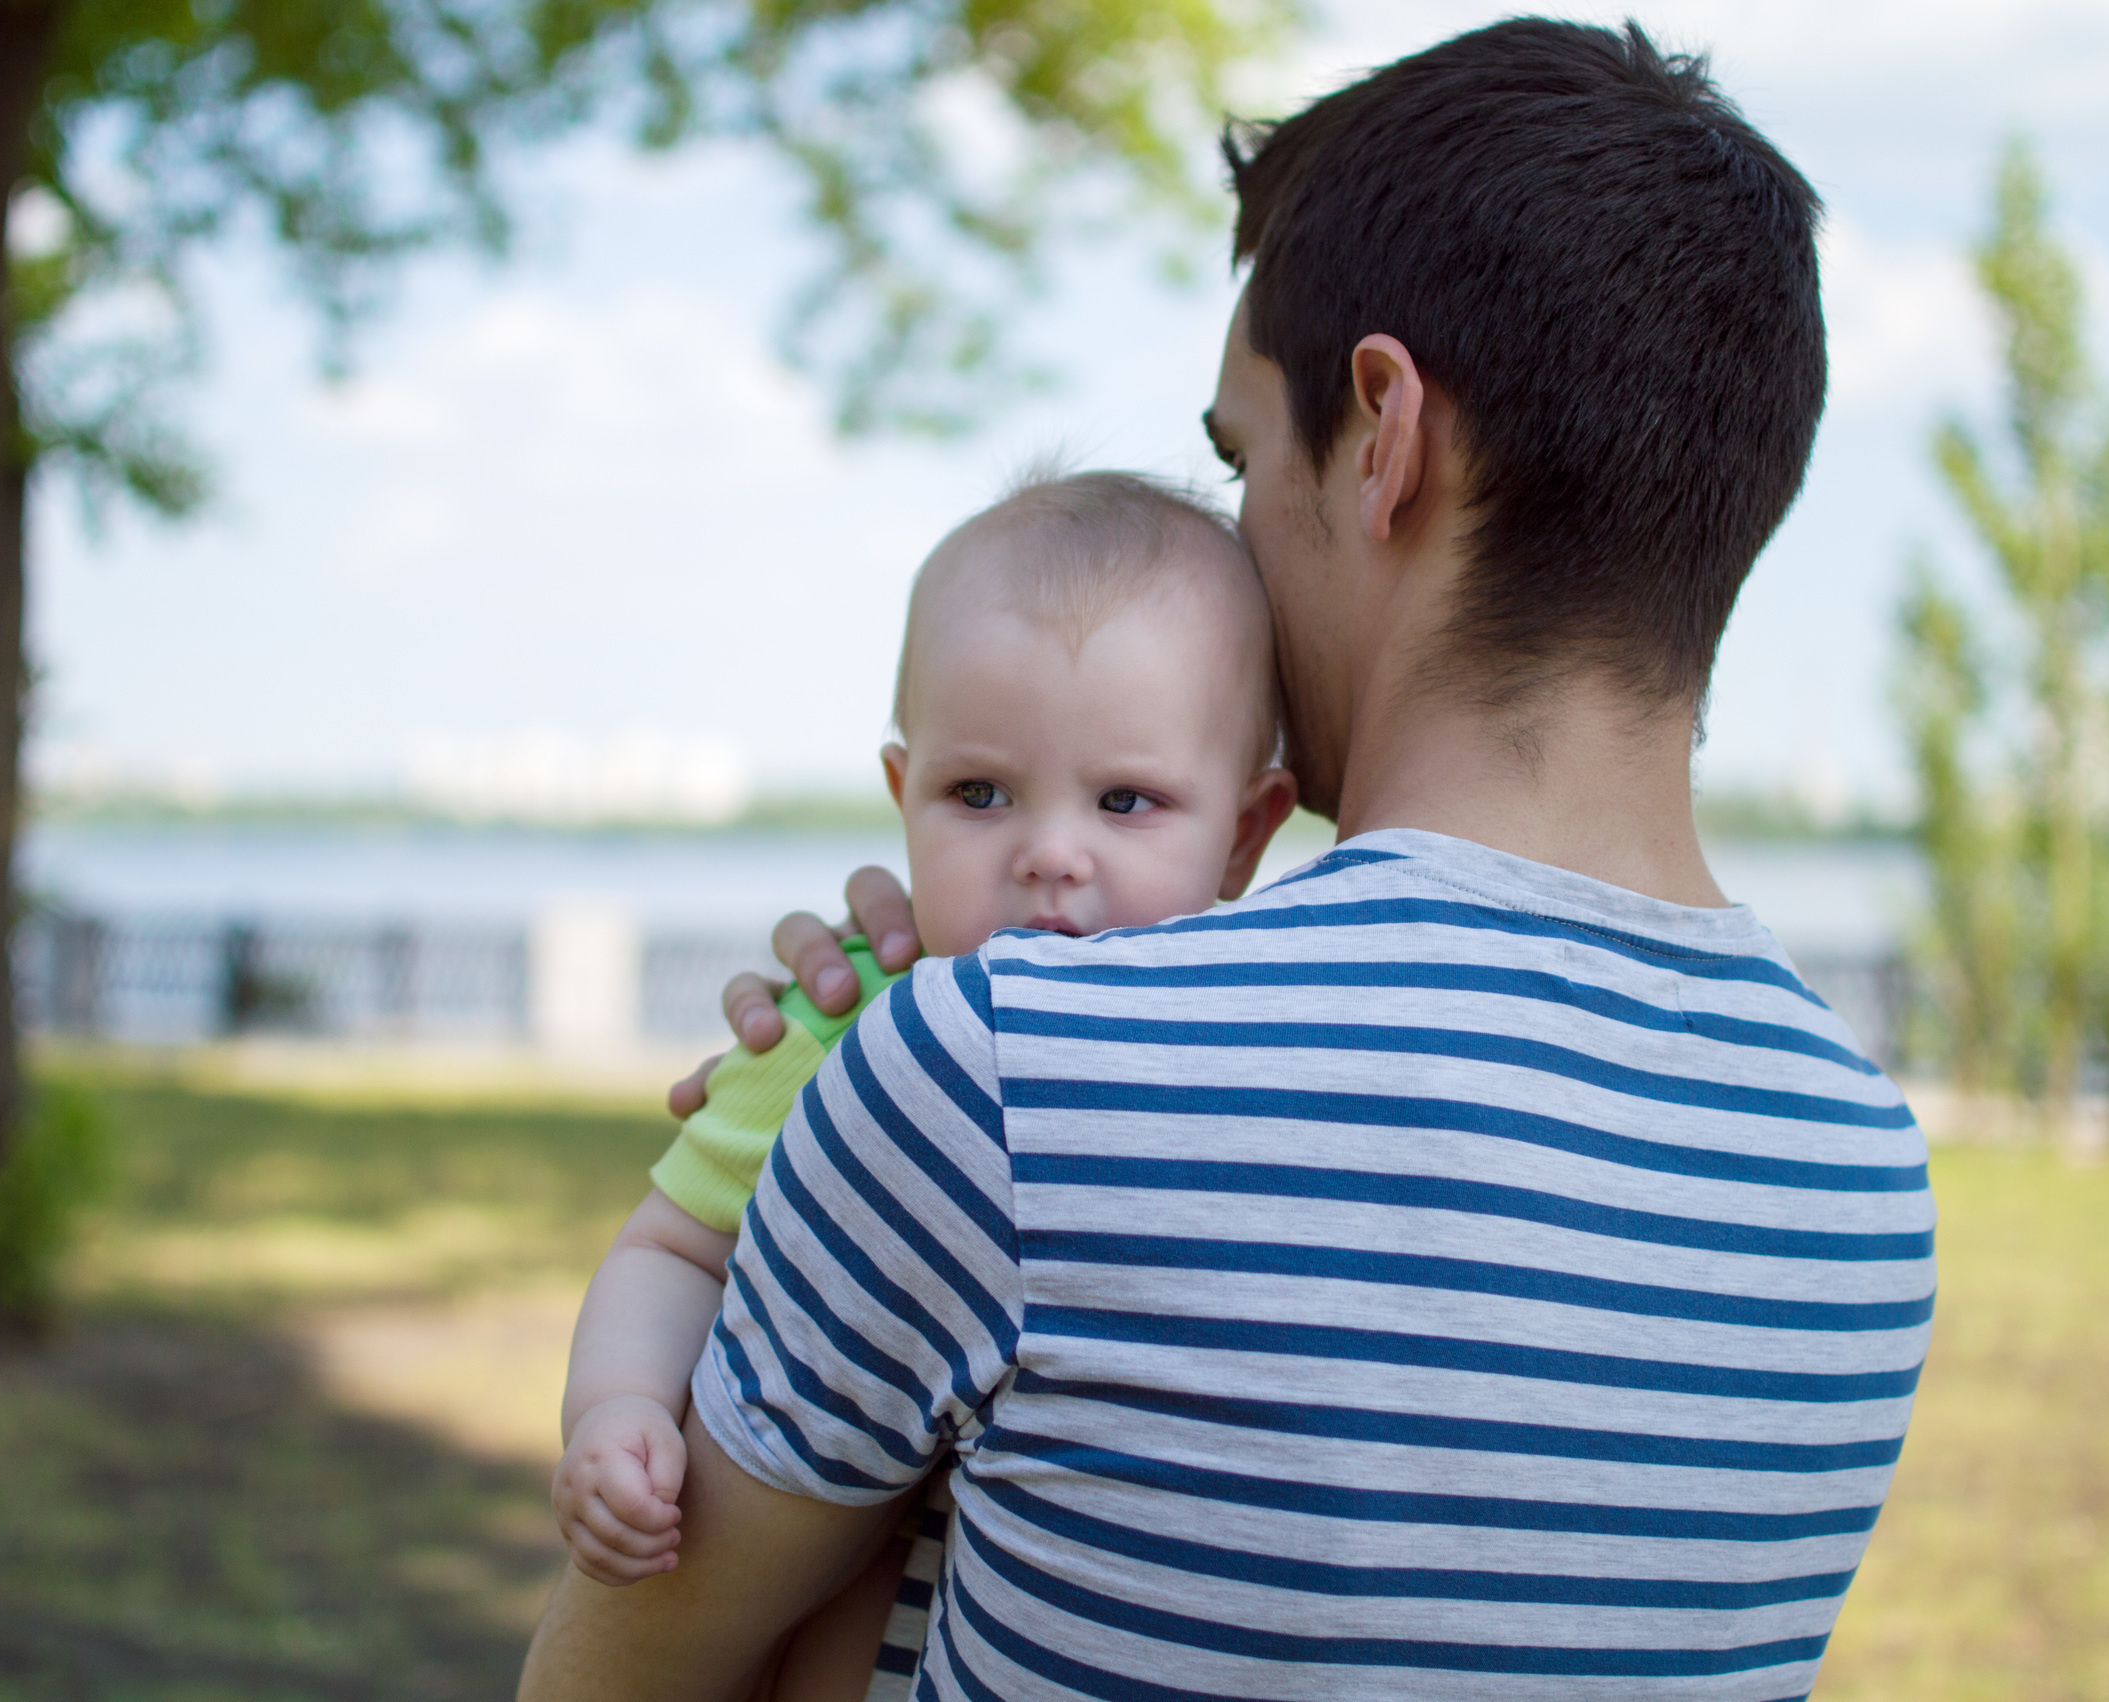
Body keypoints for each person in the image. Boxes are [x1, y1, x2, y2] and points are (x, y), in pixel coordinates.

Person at [521, 18, 1936, 1701]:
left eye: (1240, 455)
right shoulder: (1860, 1182)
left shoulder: (996, 1076)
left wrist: (864, 1142)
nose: (1236, 533)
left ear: (1385, 435)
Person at [548, 470, 1299, 1697]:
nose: (1049, 854)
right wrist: (617, 1411)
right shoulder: (843, 1022)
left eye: (1125, 801)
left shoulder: (1243, 1050)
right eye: (980, 794)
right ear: (903, 797)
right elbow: (670, 1249)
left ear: (1247, 830)